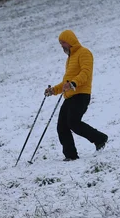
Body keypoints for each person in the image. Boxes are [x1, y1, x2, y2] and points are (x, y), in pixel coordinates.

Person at [45, 30, 108, 161]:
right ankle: (71, 156)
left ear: (71, 41)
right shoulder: (70, 59)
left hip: (81, 94)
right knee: (61, 127)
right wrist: (53, 90)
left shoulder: (84, 53)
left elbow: (86, 73)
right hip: (69, 96)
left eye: (63, 42)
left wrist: (73, 83)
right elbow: (65, 83)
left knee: (73, 123)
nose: (62, 46)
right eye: (60, 43)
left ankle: (100, 139)